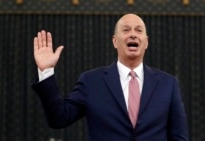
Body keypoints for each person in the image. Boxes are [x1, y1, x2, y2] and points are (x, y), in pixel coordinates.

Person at [32, 13, 189, 141]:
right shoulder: (91, 81)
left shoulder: (168, 84)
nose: (133, 34)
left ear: (146, 42)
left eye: (139, 30)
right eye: (126, 30)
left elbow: (179, 136)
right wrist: (46, 71)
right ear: (115, 41)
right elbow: (59, 118)